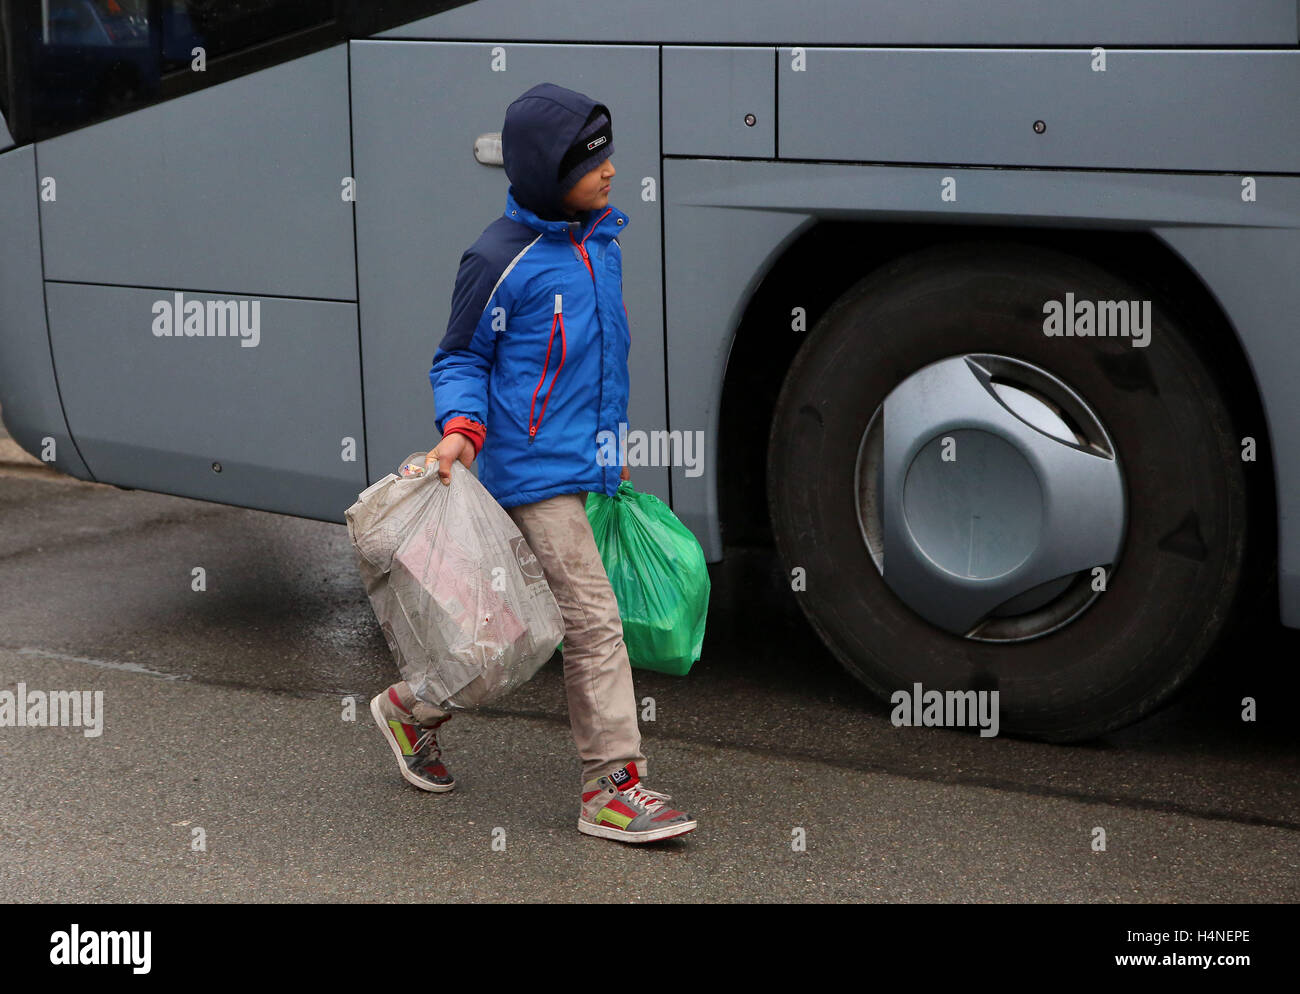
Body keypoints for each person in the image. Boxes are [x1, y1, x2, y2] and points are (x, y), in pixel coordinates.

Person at [369, 82, 696, 844]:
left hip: (587, 466)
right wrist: (460, 430)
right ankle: (613, 788)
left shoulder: (600, 242)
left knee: (507, 636)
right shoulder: (498, 259)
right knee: (593, 623)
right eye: (593, 161)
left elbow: (600, 365)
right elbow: (458, 357)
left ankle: (409, 709)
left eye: (611, 154)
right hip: (528, 471)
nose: (613, 170)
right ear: (548, 171)